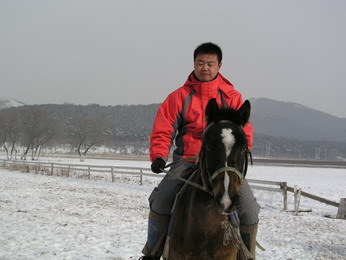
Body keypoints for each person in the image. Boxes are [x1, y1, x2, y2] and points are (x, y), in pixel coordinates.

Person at [140, 42, 260, 260]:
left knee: (249, 208)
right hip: (187, 160)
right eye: (200, 63)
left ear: (219, 66)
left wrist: (240, 154)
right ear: (194, 64)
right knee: (162, 199)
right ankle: (153, 251)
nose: (205, 67)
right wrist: (158, 155)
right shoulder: (178, 97)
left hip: (224, 163)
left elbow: (244, 133)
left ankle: (247, 255)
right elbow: (163, 128)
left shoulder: (232, 97)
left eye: (210, 63)